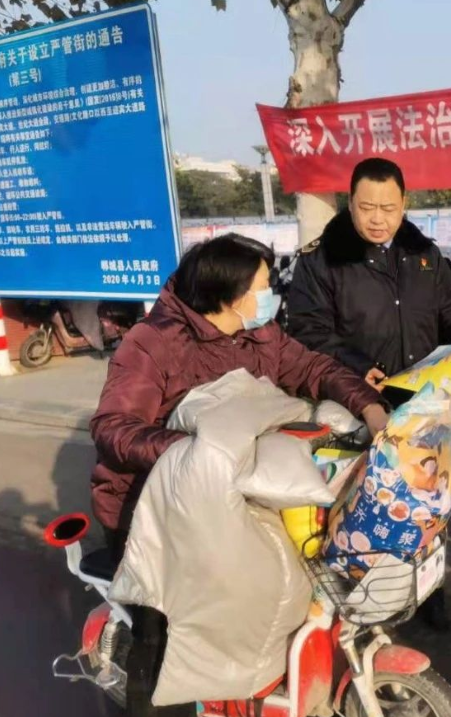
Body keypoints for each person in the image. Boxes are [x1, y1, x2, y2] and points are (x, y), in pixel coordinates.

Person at [90, 234, 388, 717]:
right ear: (230, 296)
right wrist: (192, 452)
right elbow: (111, 427)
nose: (271, 295)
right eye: (264, 286)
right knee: (162, 627)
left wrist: (369, 406)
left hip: (228, 494)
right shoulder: (153, 343)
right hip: (148, 505)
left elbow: (312, 368)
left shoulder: (259, 332)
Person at [286, 157, 451, 633]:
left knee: (431, 501)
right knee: (365, 504)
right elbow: (308, 332)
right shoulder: (321, 260)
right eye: (367, 207)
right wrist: (355, 365)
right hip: (359, 403)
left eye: (388, 209)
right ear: (350, 203)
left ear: (404, 204)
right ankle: (358, 599)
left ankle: (429, 592)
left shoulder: (424, 254)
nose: (378, 219)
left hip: (424, 401)